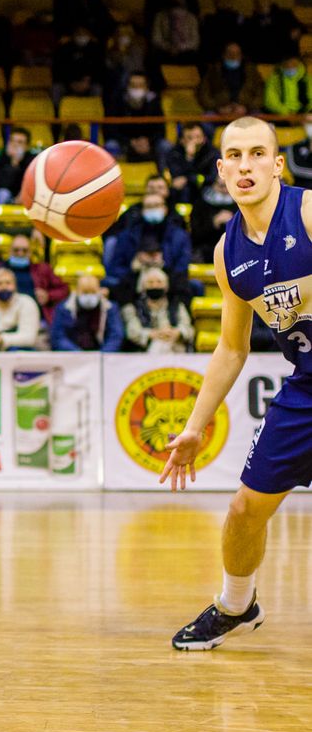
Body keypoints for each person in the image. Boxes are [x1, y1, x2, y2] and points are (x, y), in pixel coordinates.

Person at [160, 116, 312, 651]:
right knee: (246, 510)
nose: (246, 165)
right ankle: (236, 604)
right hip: (307, 390)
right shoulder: (229, 254)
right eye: (235, 156)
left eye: (257, 154)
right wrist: (195, 428)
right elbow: (232, 347)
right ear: (222, 170)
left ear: (277, 164)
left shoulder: (310, 212)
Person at [106, 192, 192, 304]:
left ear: (165, 209)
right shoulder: (127, 235)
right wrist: (134, 266)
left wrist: (163, 264)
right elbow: (116, 268)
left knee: (189, 286)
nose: (153, 209)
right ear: (142, 210)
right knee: (112, 286)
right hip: (133, 281)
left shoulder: (180, 236)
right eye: (149, 206)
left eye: (156, 205)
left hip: (170, 281)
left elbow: (182, 268)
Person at [0, 233, 69, 325]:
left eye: (24, 250)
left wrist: (48, 296)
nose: (20, 253)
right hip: (0, 320)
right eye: (16, 250)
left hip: (35, 321)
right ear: (9, 251)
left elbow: (64, 290)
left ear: (30, 252)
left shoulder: (42, 269)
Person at [121, 267, 195, 352]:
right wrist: (153, 334)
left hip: (175, 347)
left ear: (166, 286)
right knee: (158, 345)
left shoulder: (177, 305)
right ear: (144, 286)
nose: (155, 286)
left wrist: (177, 332)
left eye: (159, 282)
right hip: (145, 351)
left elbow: (188, 328)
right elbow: (132, 331)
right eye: (150, 282)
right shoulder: (133, 307)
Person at [50, 272, 124, 351]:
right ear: (77, 292)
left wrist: (103, 354)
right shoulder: (64, 308)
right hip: (73, 354)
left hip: (102, 354)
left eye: (93, 293)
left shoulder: (109, 308)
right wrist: (77, 353)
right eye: (85, 293)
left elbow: (116, 335)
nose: (89, 297)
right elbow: (58, 336)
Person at [104, 71, 165, 163]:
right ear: (127, 87)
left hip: (148, 143)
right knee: (111, 145)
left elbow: (161, 130)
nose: (137, 89)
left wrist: (148, 141)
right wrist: (130, 142)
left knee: (165, 146)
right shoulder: (117, 102)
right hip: (124, 143)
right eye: (133, 85)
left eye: (140, 85)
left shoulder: (154, 104)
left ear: (147, 88)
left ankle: (165, 175)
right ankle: (114, 177)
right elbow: (110, 130)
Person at [0, 267, 40, 351]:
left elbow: (29, 338)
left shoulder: (26, 302)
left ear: (14, 285)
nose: (4, 287)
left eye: (8, 283)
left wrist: (1, 339)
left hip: (22, 353)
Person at [198, 42, 263, 119]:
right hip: (218, 111)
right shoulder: (213, 71)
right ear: (223, 55)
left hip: (247, 111)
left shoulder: (252, 72)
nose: (233, 56)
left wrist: (247, 107)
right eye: (230, 53)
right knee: (206, 119)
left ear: (241, 55)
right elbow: (204, 94)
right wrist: (218, 108)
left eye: (236, 54)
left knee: (259, 119)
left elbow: (260, 94)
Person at [166, 123, 220, 205]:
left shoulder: (212, 153)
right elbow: (177, 178)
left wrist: (190, 179)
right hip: (185, 191)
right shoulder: (174, 154)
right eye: (190, 138)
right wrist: (189, 157)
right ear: (182, 140)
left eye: (198, 137)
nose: (194, 141)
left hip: (206, 188)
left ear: (204, 138)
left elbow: (213, 177)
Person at [243, 0, 303, 66]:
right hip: (264, 61)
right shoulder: (250, 22)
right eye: (257, 1)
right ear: (254, 4)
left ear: (269, 0)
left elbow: (301, 28)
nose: (261, 3)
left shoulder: (285, 14)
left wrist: (297, 31)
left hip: (287, 59)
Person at [149, 0, 201, 65]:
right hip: (165, 51)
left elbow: (195, 42)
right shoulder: (160, 17)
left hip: (186, 52)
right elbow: (156, 39)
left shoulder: (192, 19)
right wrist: (168, 47)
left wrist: (181, 47)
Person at [0, 127, 37, 205]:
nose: (15, 145)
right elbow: (1, 185)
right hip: (8, 197)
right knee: (3, 193)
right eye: (12, 141)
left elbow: (33, 183)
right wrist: (14, 163)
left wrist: (23, 193)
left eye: (20, 142)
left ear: (27, 146)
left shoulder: (33, 161)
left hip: (27, 195)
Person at [262, 51, 312, 121]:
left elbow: (310, 100)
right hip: (281, 115)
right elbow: (270, 101)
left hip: (303, 114)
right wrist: (286, 112)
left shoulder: (307, 79)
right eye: (287, 65)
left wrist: (303, 112)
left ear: (299, 64)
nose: (290, 67)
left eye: (293, 64)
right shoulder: (274, 79)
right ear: (282, 65)